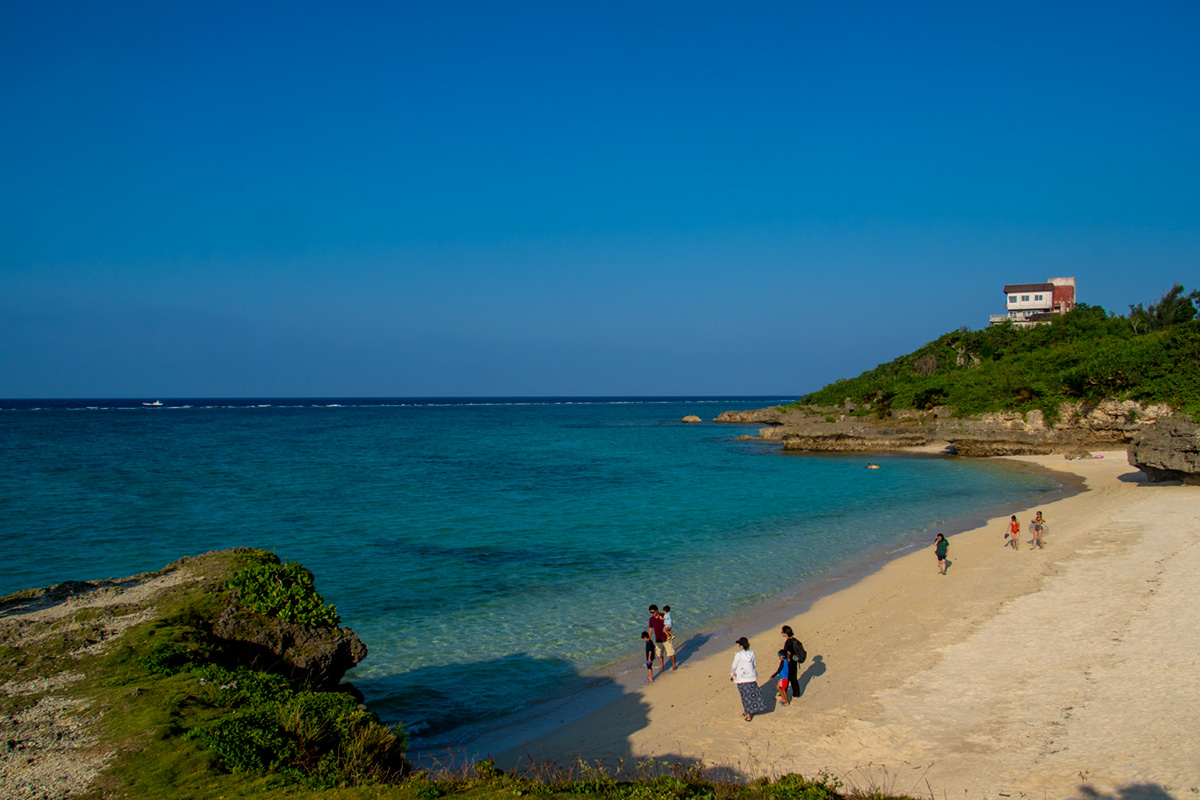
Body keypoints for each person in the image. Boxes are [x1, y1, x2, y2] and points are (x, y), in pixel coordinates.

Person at [730, 636, 766, 721]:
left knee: (745, 696)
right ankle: (749, 711)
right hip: (751, 676)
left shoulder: (738, 655)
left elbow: (734, 665)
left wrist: (732, 674)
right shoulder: (752, 653)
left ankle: (748, 714)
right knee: (752, 694)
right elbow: (754, 664)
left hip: (742, 678)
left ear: (741, 646)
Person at [648, 604, 676, 671]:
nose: (652, 614)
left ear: (657, 610)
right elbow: (650, 629)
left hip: (666, 638)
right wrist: (649, 638)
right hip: (658, 639)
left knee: (671, 653)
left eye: (653, 612)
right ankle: (661, 666)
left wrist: (669, 629)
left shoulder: (664, 615)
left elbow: (670, 623)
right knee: (659, 654)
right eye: (651, 612)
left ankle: (674, 665)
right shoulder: (651, 619)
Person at [780, 625, 804, 700]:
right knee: (793, 678)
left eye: (782, 632)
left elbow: (788, 653)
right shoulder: (794, 640)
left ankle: (783, 693)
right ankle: (796, 694)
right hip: (795, 661)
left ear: (785, 633)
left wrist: (786, 661)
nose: (781, 633)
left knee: (787, 677)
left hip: (790, 662)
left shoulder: (788, 642)